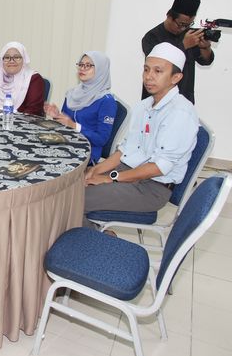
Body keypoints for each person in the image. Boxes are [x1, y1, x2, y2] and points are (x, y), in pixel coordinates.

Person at [83, 42, 199, 229]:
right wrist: (97, 170)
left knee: (75, 199)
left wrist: (111, 177)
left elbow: (159, 167)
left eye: (158, 71)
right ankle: (97, 234)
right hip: (128, 172)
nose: (148, 76)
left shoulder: (180, 113)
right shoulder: (143, 106)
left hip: (152, 188)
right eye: (146, 69)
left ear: (175, 77)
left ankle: (94, 243)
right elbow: (125, 150)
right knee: (69, 185)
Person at [44, 51, 117, 165]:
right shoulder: (72, 93)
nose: (82, 68)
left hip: (88, 152)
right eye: (81, 64)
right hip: (66, 143)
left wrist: (75, 126)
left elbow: (101, 139)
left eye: (88, 65)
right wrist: (57, 116)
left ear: (100, 70)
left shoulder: (107, 101)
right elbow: (65, 125)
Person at [141, 0, 214, 104]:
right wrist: (184, 45)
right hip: (156, 99)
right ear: (169, 16)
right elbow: (159, 62)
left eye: (188, 25)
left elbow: (206, 61)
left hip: (184, 97)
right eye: (181, 24)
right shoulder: (152, 37)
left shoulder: (189, 34)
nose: (183, 28)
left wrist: (205, 47)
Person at [0, 41, 45, 115]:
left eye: (17, 57)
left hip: (23, 121)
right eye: (7, 57)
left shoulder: (34, 79)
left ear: (24, 60)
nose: (11, 61)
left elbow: (33, 111)